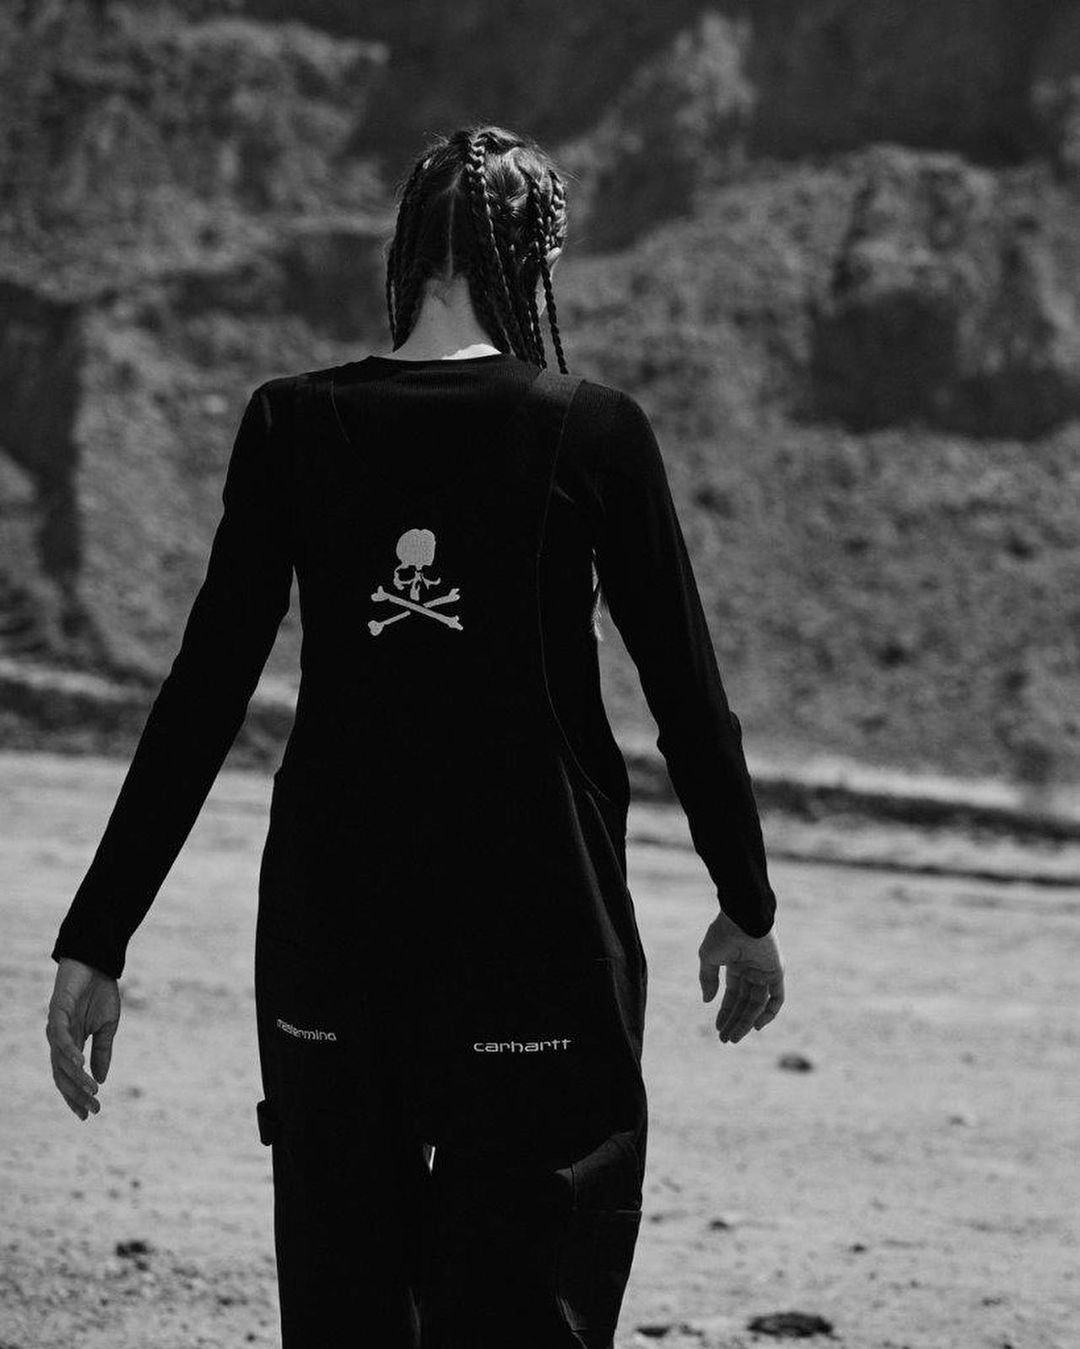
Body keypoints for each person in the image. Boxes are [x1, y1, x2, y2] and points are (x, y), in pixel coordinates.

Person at [45, 123, 785, 1348]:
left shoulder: (290, 423)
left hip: (334, 950)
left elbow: (201, 697)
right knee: (528, 1307)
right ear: (534, 262)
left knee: (349, 1314)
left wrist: (97, 934)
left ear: (405, 256)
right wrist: (744, 900)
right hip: (534, 942)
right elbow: (688, 698)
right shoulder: (593, 430)